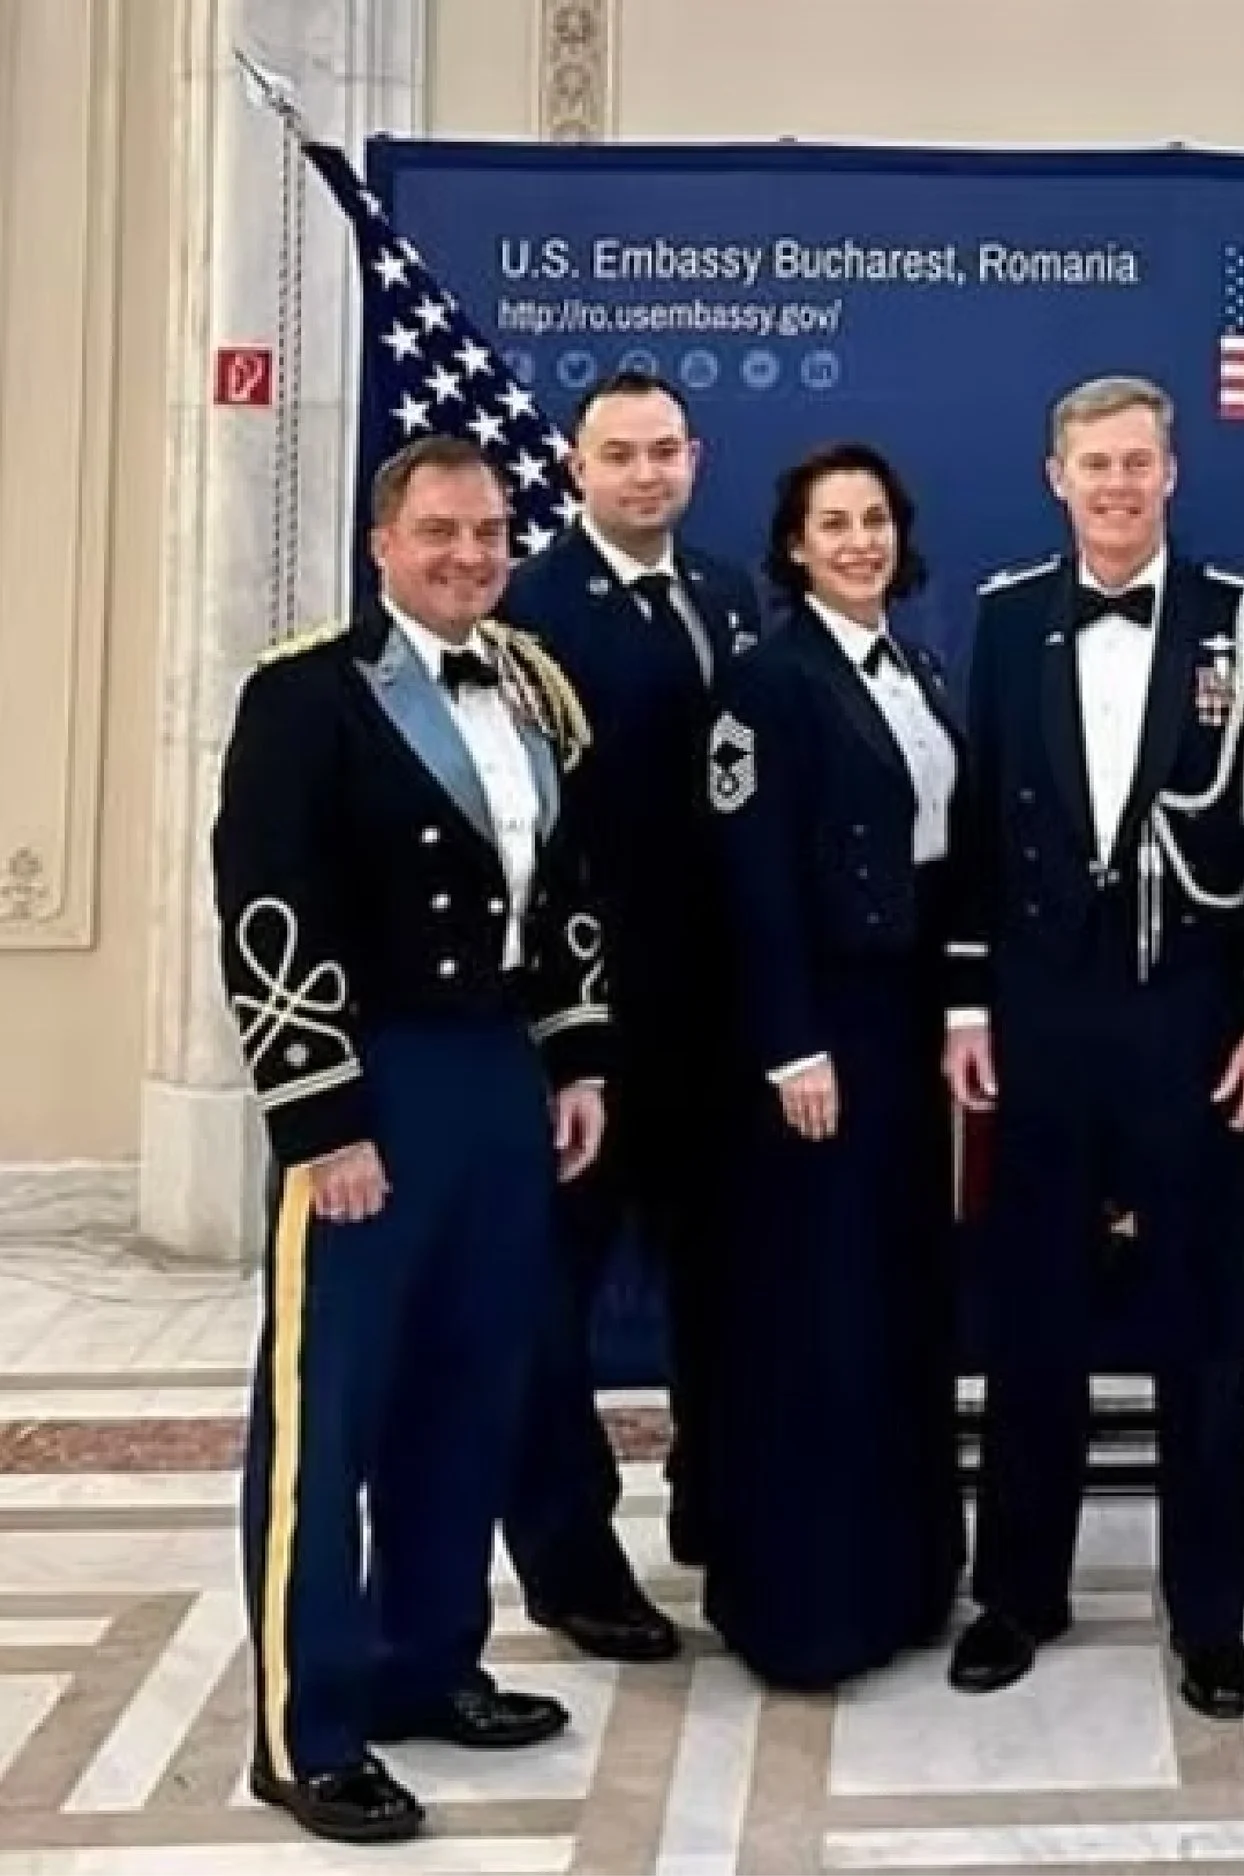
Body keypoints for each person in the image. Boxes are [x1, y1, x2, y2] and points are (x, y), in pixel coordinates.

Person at [212, 436, 610, 1844]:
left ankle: (426, 1665)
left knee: (467, 1391)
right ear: (383, 541)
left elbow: (560, 886)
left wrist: (573, 1058)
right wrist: (322, 1119)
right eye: (440, 531)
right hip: (372, 1087)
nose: (469, 556)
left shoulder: (528, 685)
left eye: (491, 533)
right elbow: (269, 915)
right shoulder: (305, 696)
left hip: (499, 1080)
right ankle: (305, 1731)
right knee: (331, 1416)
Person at [941, 374, 1244, 1721]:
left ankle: (1209, 1612)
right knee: (1032, 1315)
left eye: (1139, 464)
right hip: (1044, 1024)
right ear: (1056, 478)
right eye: (1093, 464)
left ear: (1174, 474)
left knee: (1206, 1326)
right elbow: (980, 826)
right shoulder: (1002, 621)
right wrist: (965, 1006)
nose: (1116, 485)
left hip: (1197, 1024)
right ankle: (1019, 1594)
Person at [495, 370, 763, 1661]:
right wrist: (565, 1039)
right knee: (552, 1305)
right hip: (593, 1028)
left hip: (717, 1024)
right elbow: (529, 846)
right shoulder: (531, 613)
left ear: (695, 458)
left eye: (665, 451)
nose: (646, 474)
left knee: (725, 1282)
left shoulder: (727, 590)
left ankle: (716, 1509)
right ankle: (570, 1562)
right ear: (575, 465)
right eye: (620, 454)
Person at [698, 442, 966, 1687]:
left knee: (896, 1297)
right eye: (832, 523)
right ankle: (808, 1608)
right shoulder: (767, 681)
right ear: (793, 546)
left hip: (906, 1018)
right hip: (821, 1034)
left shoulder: (912, 661)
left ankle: (906, 1579)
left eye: (874, 520)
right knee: (818, 1310)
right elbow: (749, 887)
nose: (857, 540)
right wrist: (789, 1043)